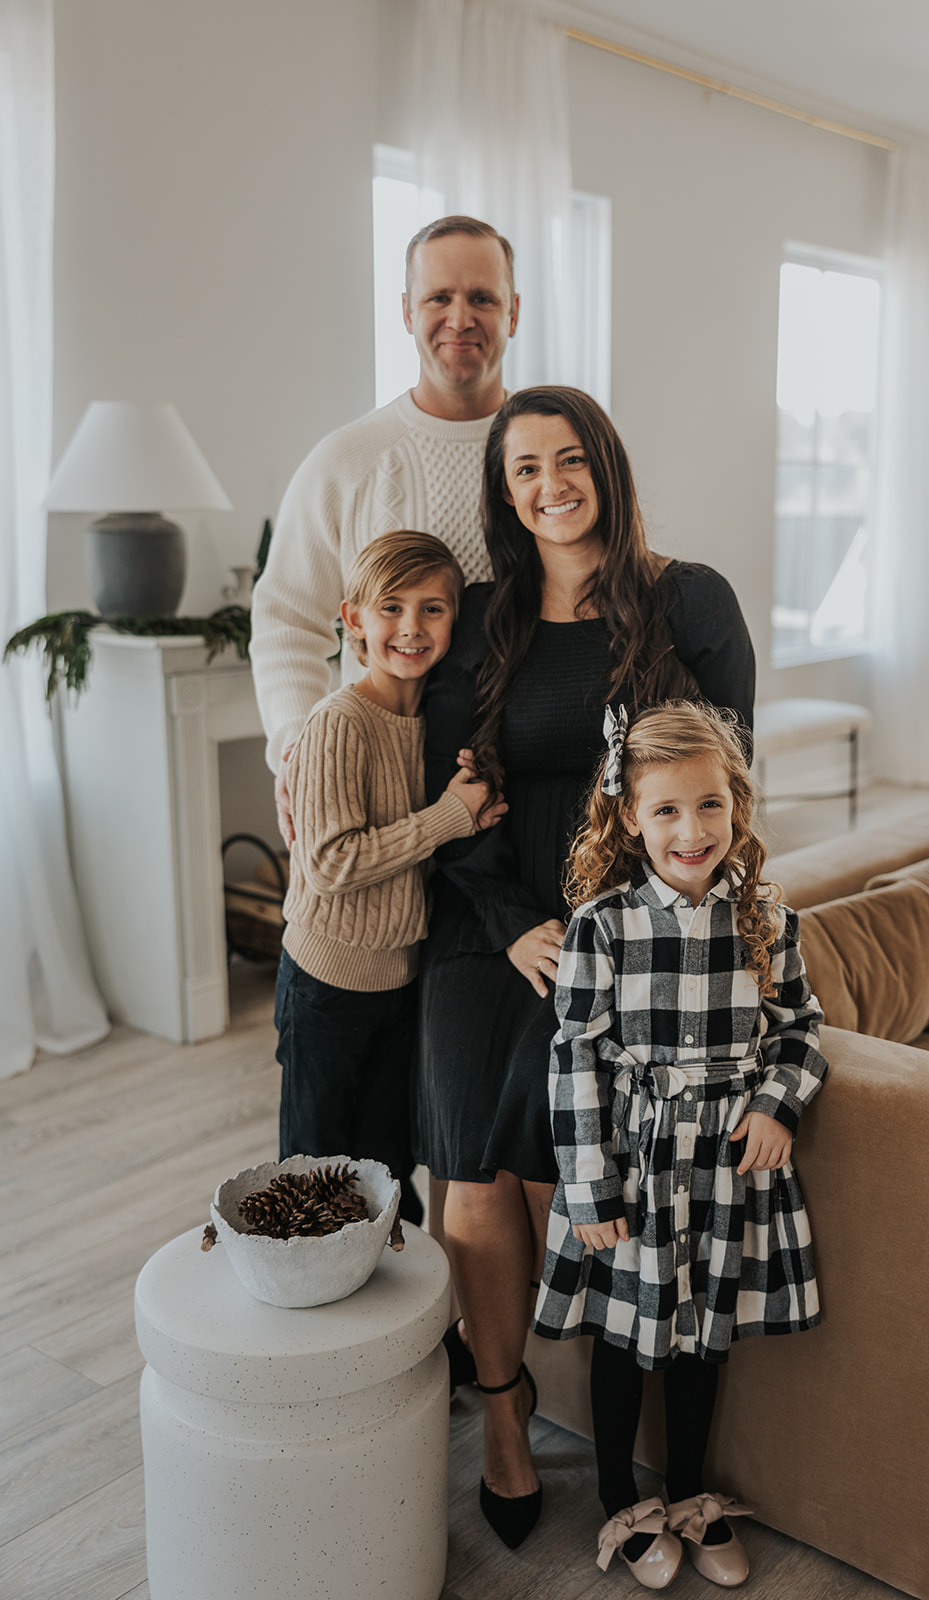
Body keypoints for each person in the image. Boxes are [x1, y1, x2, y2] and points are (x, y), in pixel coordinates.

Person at [415, 386, 757, 1548]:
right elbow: (449, 793)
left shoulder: (687, 601)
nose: (548, 485)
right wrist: (511, 923)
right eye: (523, 470)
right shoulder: (481, 615)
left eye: (568, 460)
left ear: (603, 467)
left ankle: (622, 1440)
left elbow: (726, 783)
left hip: (637, 942)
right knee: (468, 1172)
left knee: (578, 1161)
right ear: (502, 492)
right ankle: (506, 1422)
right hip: (493, 923)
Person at [533, 700, 826, 1590]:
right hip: (636, 1165)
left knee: (706, 1339)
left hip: (727, 1173)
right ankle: (624, 1502)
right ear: (630, 818)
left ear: (735, 803)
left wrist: (777, 1104)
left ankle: (692, 1495)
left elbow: (802, 1029)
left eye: (708, 805)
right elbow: (573, 1052)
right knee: (627, 1338)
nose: (690, 830)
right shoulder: (603, 927)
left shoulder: (768, 920)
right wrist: (589, 1186)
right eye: (665, 810)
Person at [250, 215, 520, 843]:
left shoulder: (552, 460)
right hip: (374, 796)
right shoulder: (345, 460)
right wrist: (297, 749)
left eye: (482, 297)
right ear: (406, 311)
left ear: (512, 312)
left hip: (517, 796)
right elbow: (287, 616)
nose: (460, 318)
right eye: (438, 298)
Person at [275, 530, 505, 1223]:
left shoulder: (431, 726)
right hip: (326, 984)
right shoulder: (338, 721)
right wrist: (447, 817)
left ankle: (388, 1324)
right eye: (391, 608)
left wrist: (473, 805)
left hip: (398, 980)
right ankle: (312, 1319)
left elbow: (428, 841)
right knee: (314, 1175)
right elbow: (331, 863)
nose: (410, 627)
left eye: (432, 609)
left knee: (387, 1169)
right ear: (353, 620)